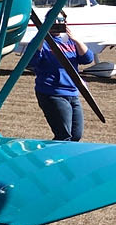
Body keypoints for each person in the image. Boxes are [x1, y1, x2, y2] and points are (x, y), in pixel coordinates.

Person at [28, 14, 96, 142]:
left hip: (73, 92)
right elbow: (31, 61)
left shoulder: (69, 41)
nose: (57, 25)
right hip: (52, 93)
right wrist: (42, 36)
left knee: (76, 135)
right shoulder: (42, 42)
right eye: (54, 22)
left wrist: (76, 39)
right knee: (64, 136)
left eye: (61, 22)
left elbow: (88, 58)